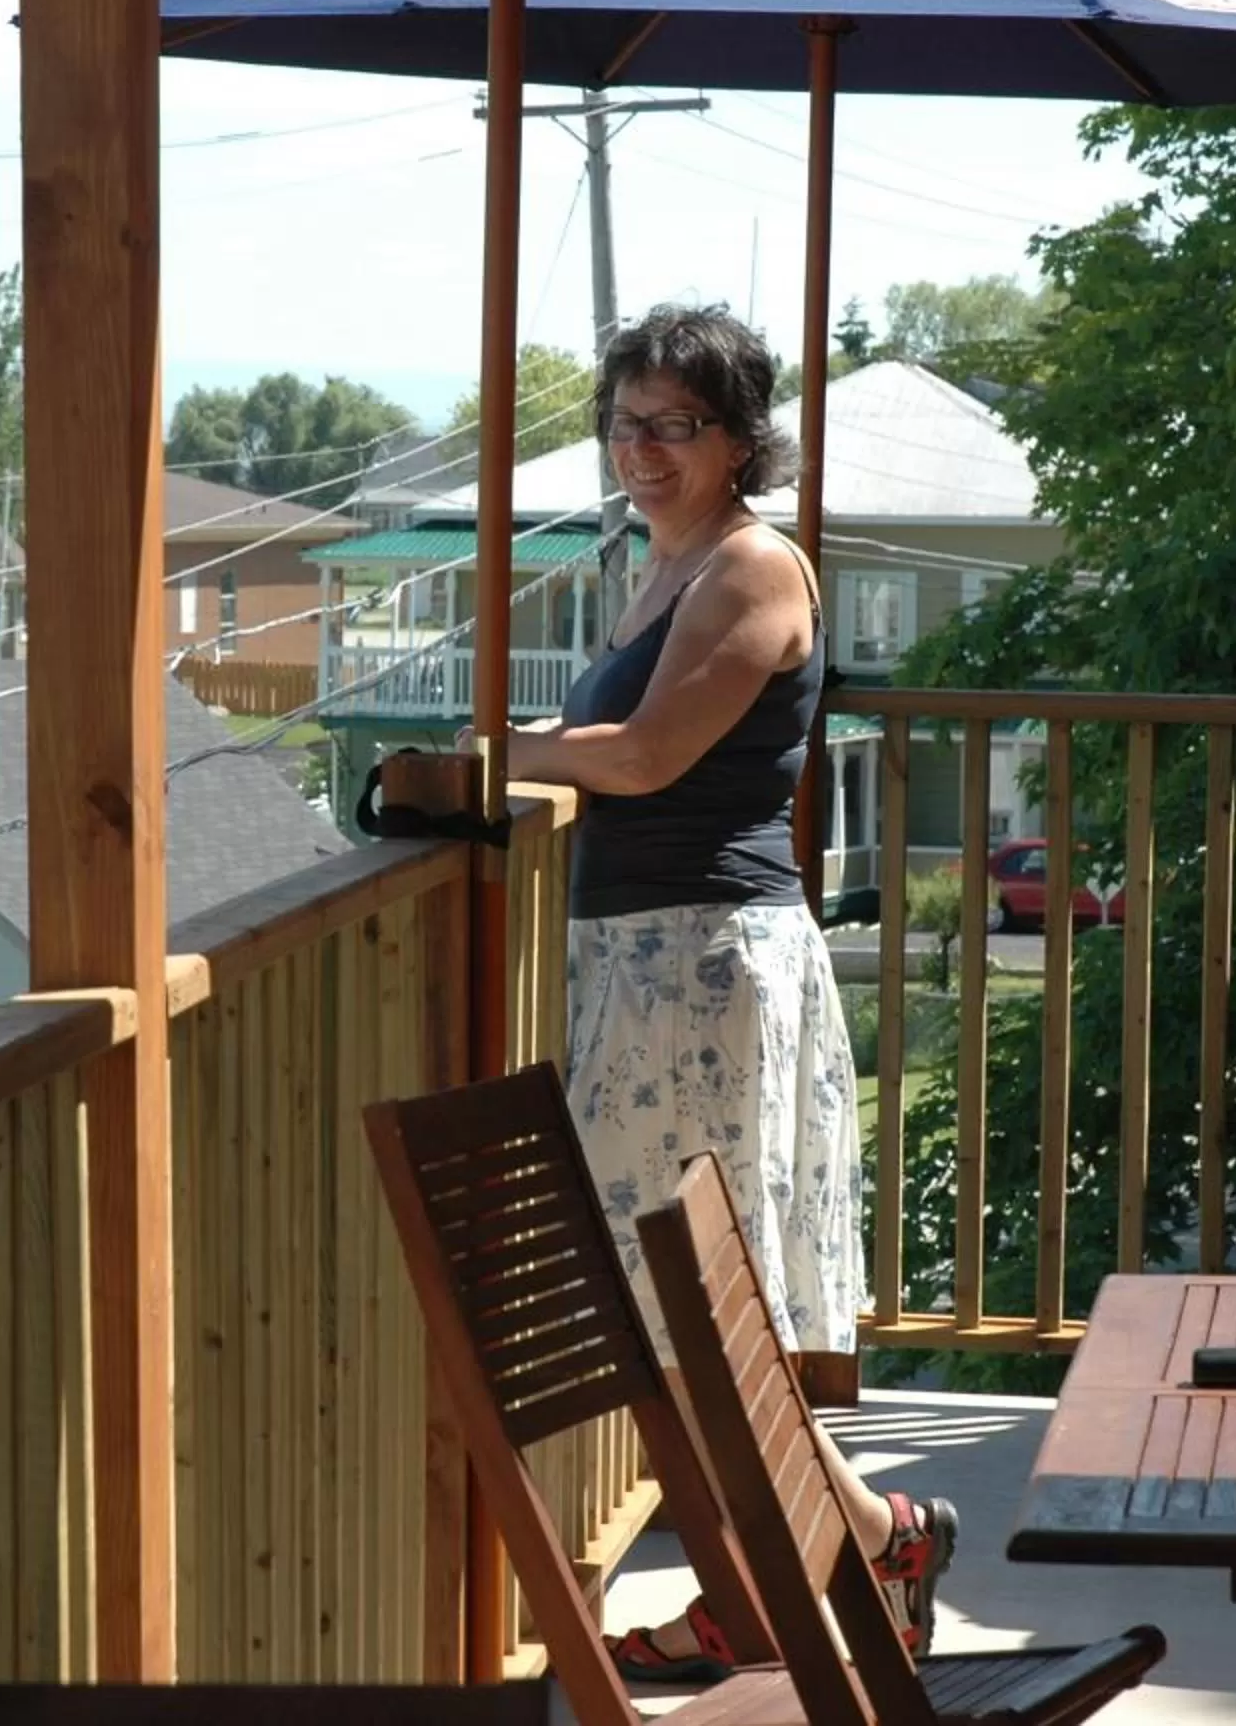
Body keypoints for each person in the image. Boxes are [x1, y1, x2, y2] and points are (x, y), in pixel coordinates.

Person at [474, 305, 955, 1681]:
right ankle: (812, 1566)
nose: (642, 448)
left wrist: (494, 750)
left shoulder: (752, 566)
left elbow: (644, 756)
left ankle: (859, 1542)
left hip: (703, 970)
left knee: (696, 1317)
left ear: (739, 437)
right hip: (650, 968)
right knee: (674, 1318)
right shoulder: (667, 565)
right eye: (625, 422)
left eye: (674, 424)